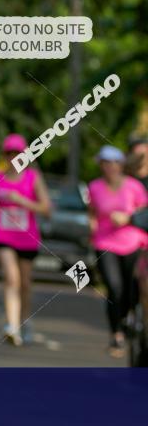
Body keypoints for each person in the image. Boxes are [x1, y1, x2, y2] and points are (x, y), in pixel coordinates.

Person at [0, 134, 52, 346]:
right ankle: (11, 325)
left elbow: (46, 209)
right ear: (5, 156)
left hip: (27, 237)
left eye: (18, 153)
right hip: (3, 235)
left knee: (24, 283)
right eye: (10, 153)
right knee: (11, 277)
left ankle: (24, 321)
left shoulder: (34, 178)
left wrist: (22, 201)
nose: (14, 157)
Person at [87, 145, 148, 358]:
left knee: (132, 290)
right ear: (101, 165)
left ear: (121, 164)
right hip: (105, 243)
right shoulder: (94, 187)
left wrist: (128, 217)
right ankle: (117, 334)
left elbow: (143, 211)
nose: (110, 166)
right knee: (114, 287)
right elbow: (92, 212)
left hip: (133, 241)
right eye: (106, 162)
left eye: (114, 162)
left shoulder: (134, 187)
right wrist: (92, 226)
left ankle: (130, 317)